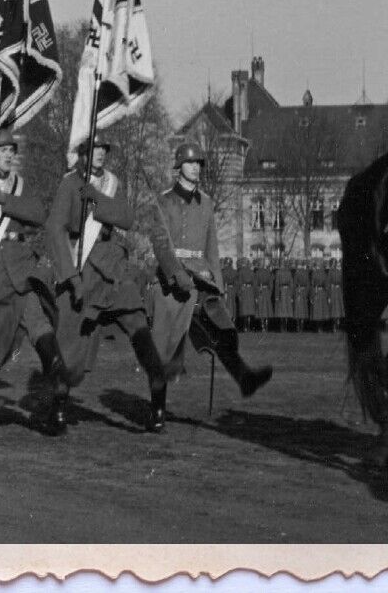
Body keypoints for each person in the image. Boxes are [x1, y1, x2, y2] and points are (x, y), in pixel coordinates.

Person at [47, 135, 186, 434]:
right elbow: (55, 229)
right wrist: (70, 277)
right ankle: (59, 404)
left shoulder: (112, 182)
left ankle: (157, 396)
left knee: (138, 325)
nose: (99, 154)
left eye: (103, 150)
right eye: (93, 149)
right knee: (70, 342)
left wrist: (96, 199)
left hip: (113, 267)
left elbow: (126, 217)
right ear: (83, 154)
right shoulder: (69, 183)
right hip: (82, 270)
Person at [149, 142, 272, 429]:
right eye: (191, 163)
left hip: (200, 280)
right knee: (164, 346)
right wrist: (174, 273)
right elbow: (159, 243)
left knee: (220, 330)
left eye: (199, 163)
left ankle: (245, 378)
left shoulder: (206, 202)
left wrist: (217, 282)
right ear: (179, 166)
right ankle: (157, 409)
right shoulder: (163, 201)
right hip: (172, 280)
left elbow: (212, 247)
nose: (197, 168)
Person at [0, 130, 68, 434]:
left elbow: (38, 214)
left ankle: (55, 404)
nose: (9, 155)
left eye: (12, 150)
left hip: (22, 273)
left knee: (43, 333)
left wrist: (5, 200)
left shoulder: (18, 186)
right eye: (3, 150)